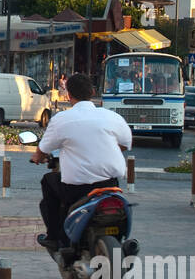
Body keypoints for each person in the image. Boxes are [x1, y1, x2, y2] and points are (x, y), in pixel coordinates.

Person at [31, 72, 132, 249]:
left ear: (68, 95)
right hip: (111, 183)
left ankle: (54, 236)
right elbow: (125, 143)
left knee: (48, 182)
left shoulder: (62, 119)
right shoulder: (112, 116)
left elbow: (43, 150)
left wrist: (37, 157)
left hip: (77, 189)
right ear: (92, 92)